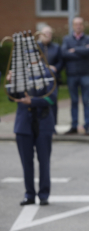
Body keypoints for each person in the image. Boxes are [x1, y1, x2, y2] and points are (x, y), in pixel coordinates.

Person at [7, 65, 57, 206]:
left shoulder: (48, 73)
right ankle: (29, 194)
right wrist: (11, 84)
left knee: (44, 160)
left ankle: (44, 194)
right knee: (26, 162)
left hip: (44, 121)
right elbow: (12, 98)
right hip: (23, 124)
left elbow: (52, 98)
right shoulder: (20, 73)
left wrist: (33, 101)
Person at [61, 17, 89, 135]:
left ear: (83, 26)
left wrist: (74, 50)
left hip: (85, 74)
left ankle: (87, 126)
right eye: (76, 24)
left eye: (80, 24)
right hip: (71, 75)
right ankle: (74, 126)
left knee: (86, 101)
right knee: (74, 101)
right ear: (73, 26)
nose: (78, 26)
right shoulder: (67, 39)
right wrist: (81, 51)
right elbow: (64, 53)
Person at [38, 25, 63, 126]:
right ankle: (39, 123)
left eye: (49, 33)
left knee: (52, 101)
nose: (47, 35)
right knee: (39, 100)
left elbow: (61, 61)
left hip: (52, 79)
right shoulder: (36, 47)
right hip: (38, 78)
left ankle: (53, 124)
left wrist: (55, 68)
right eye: (45, 33)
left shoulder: (56, 47)